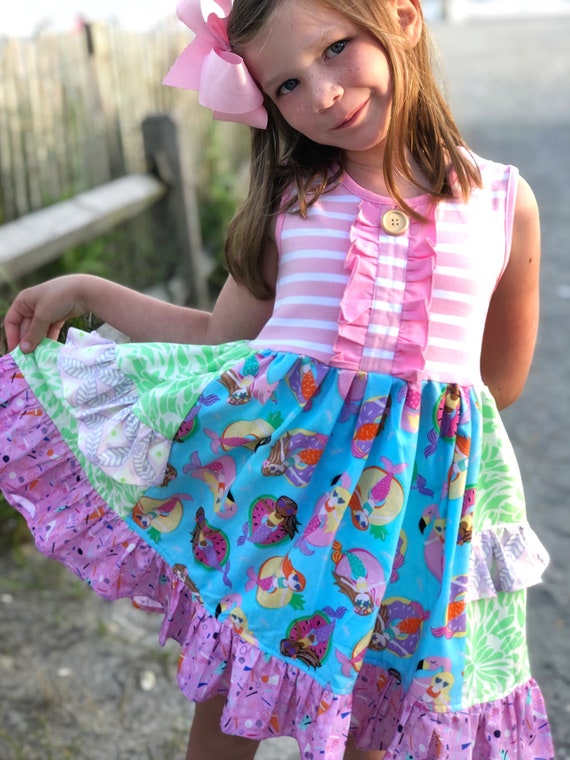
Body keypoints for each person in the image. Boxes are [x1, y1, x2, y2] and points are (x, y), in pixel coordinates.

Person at [0, 0, 554, 758]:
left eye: (335, 49)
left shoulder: (501, 203)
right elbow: (215, 340)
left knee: (376, 716)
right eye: (286, 84)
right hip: (280, 518)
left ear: (403, 18)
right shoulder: (294, 206)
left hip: (415, 526)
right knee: (235, 700)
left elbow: (498, 383)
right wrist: (90, 290)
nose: (322, 94)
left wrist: (408, 411)